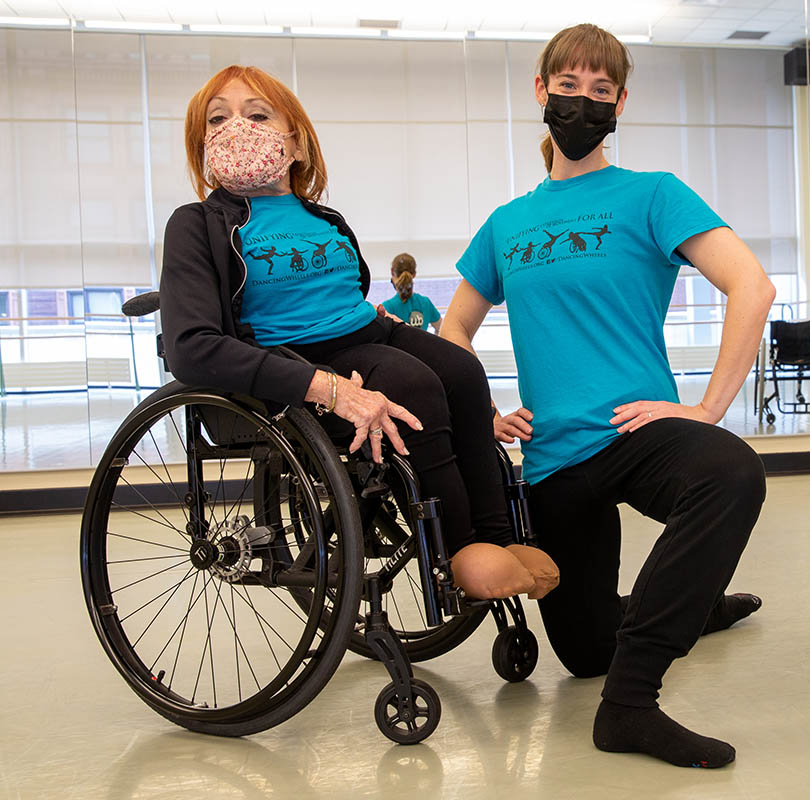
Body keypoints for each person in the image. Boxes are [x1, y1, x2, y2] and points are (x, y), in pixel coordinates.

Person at [441, 24, 775, 768]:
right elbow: (453, 327)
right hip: (555, 457)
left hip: (637, 434)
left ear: (620, 102)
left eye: (601, 89)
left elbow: (752, 286)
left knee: (729, 473)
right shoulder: (507, 224)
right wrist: (486, 411)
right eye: (568, 85)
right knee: (586, 650)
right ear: (541, 91)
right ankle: (693, 610)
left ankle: (630, 707)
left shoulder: (652, 196)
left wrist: (707, 409)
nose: (582, 101)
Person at [158, 65, 557, 602]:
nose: (239, 129)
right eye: (219, 120)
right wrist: (329, 387)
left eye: (257, 115)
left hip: (363, 333)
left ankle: (499, 537)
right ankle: (459, 553)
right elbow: (192, 347)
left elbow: (345, 296)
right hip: (293, 362)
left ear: (295, 143)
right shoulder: (196, 225)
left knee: (462, 370)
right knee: (414, 387)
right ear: (202, 144)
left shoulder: (325, 218)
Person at [379, 253, 442, 333]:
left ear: (392, 272)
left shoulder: (388, 307)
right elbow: (441, 329)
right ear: (414, 274)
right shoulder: (425, 303)